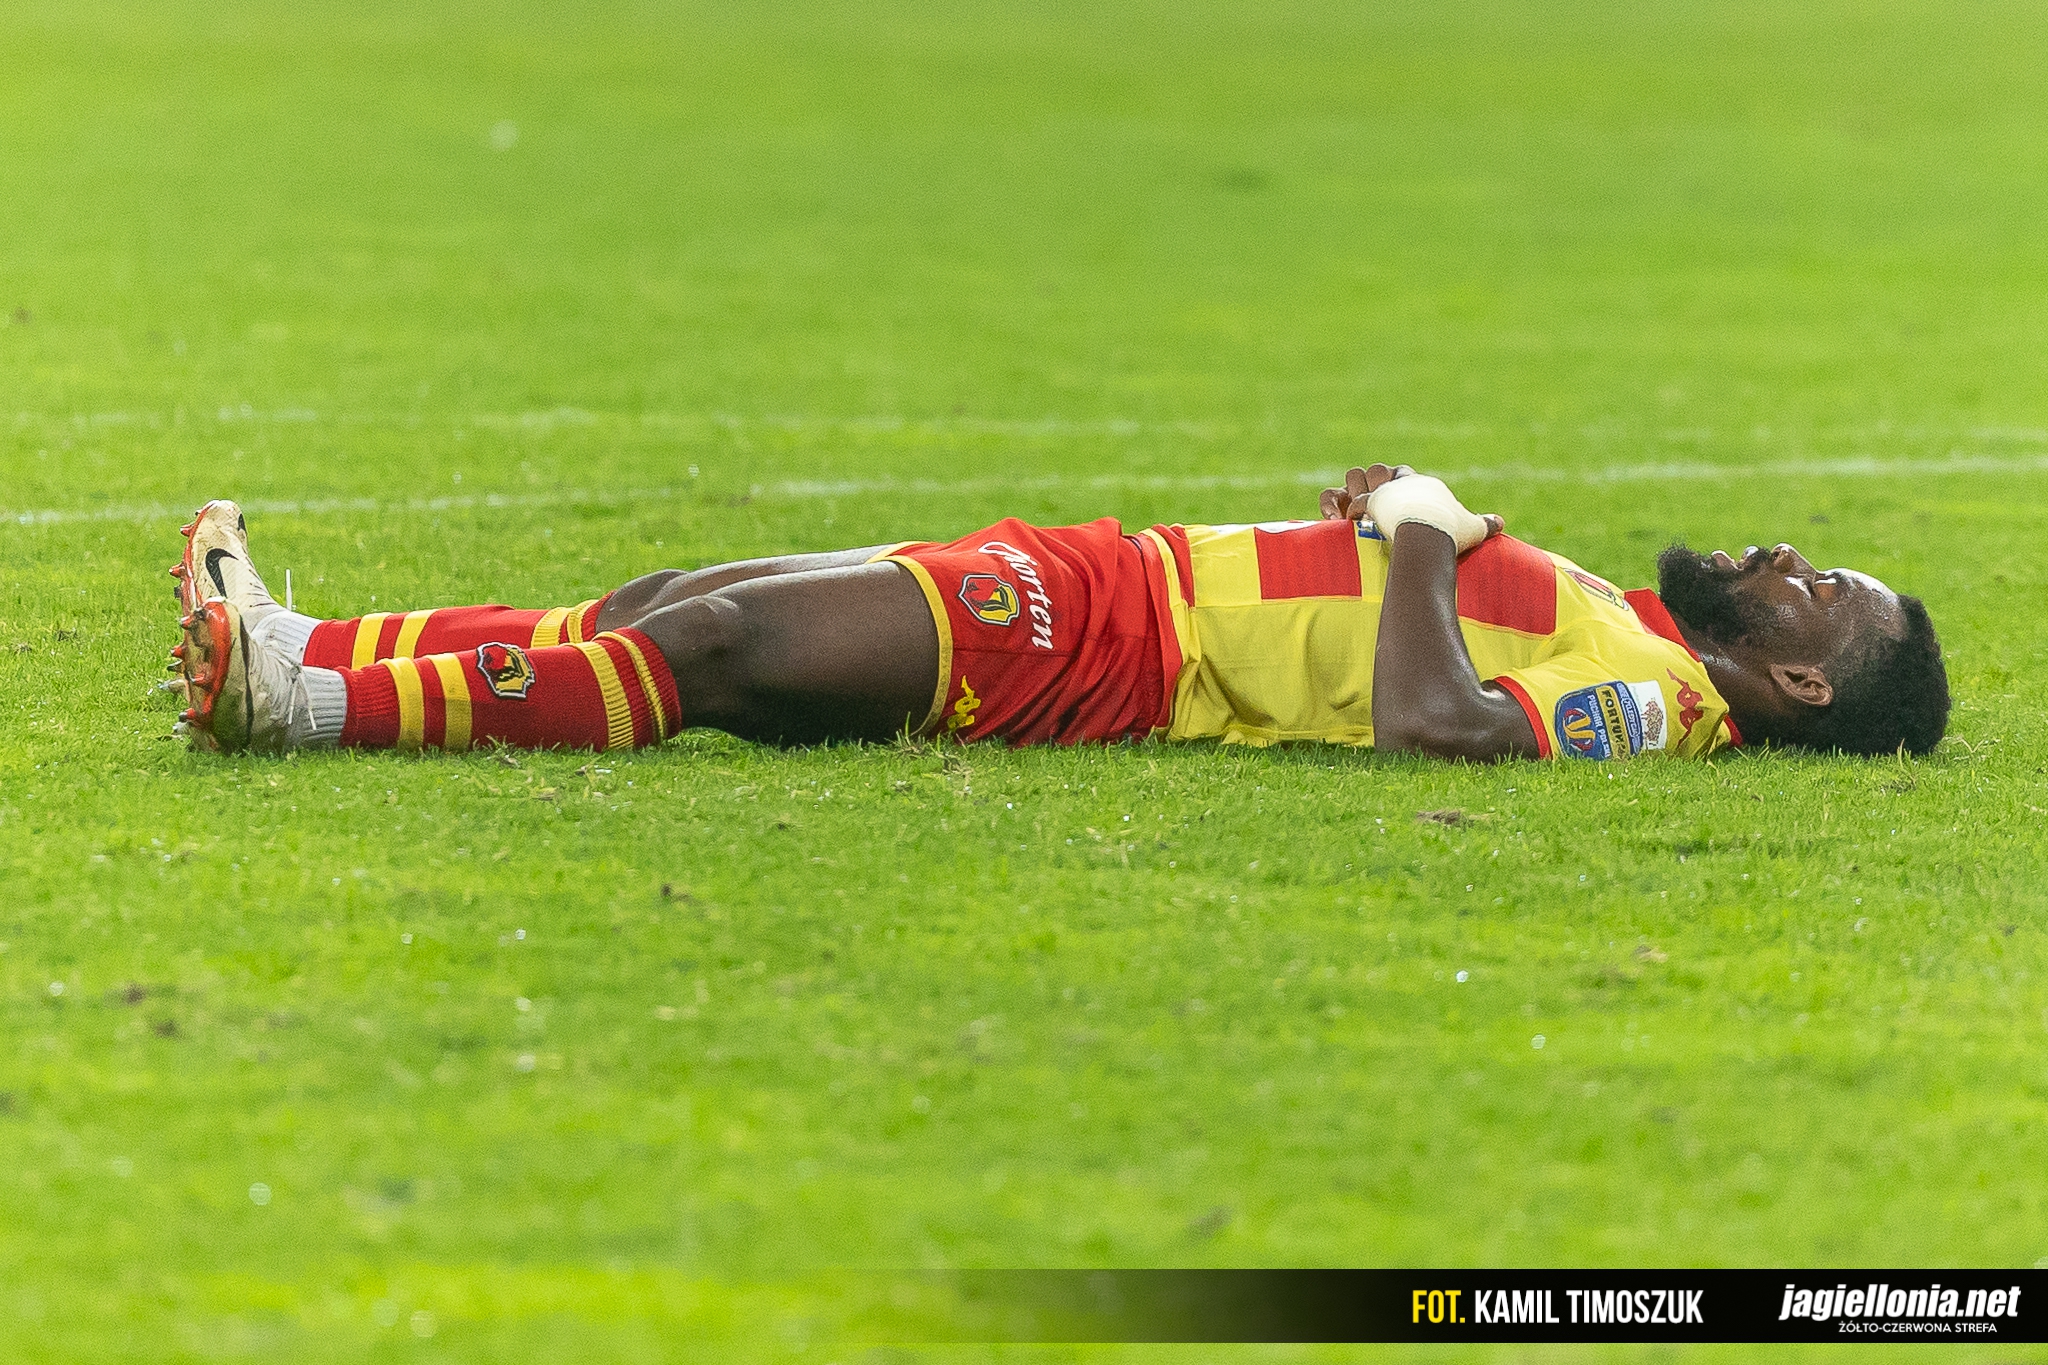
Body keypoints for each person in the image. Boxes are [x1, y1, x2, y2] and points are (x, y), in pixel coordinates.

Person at [165, 464, 1949, 763]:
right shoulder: (1645, 629)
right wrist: (1408, 520)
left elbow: (1439, 724)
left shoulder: (1661, 705)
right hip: (1122, 582)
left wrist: (1419, 536)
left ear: (1801, 681)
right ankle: (309, 646)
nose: (1793, 556)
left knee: (718, 652)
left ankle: (299, 702)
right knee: (667, 597)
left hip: (1116, 644)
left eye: (1824, 593)